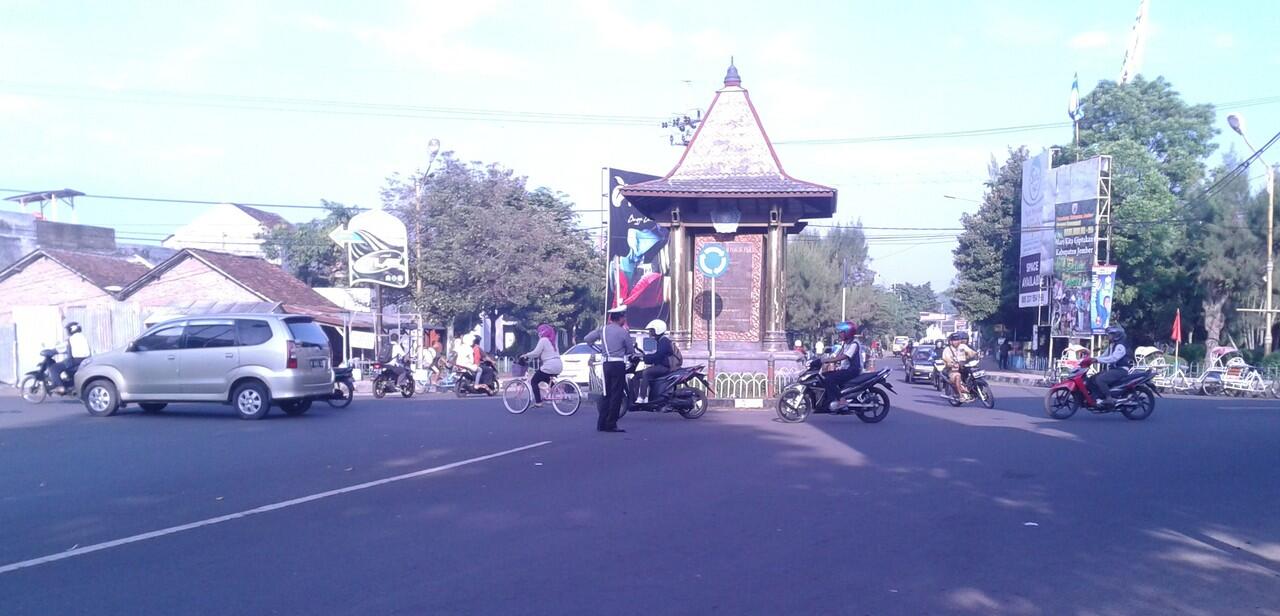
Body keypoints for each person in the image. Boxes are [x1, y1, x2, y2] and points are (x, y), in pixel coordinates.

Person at [584, 306, 635, 432]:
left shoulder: (603, 329)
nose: (625, 319)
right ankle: (611, 424)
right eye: (624, 317)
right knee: (616, 395)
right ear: (620, 318)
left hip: (605, 365)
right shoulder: (623, 332)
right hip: (618, 365)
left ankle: (601, 424)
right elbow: (630, 350)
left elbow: (587, 339)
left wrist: (601, 350)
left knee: (606, 394)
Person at [821, 321, 864, 412]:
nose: (839, 334)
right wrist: (829, 361)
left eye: (841, 332)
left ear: (848, 332)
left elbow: (844, 356)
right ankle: (831, 400)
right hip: (846, 369)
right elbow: (838, 355)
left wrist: (828, 360)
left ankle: (842, 400)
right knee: (825, 376)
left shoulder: (854, 344)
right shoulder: (846, 343)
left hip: (853, 370)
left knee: (829, 380)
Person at [1088, 325, 1133, 407]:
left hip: (1121, 370)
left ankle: (1109, 398)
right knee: (1092, 379)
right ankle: (1098, 398)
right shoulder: (1112, 345)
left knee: (1100, 379)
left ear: (1117, 335)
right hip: (1114, 369)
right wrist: (1092, 359)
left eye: (1110, 334)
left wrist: (1097, 360)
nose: (1108, 336)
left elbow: (1113, 358)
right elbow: (1104, 356)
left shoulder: (1120, 346)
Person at [521, 324, 563, 407]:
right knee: (545, 378)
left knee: (534, 381)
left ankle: (538, 402)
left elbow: (536, 353)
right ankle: (558, 391)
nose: (538, 333)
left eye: (539, 331)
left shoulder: (543, 340)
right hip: (558, 365)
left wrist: (525, 355)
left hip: (549, 366)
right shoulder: (553, 342)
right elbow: (542, 353)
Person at [637, 319, 674, 404]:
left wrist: (645, 358)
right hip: (660, 366)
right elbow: (655, 354)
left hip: (665, 367)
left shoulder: (664, 341)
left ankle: (642, 397)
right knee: (636, 375)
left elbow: (659, 355)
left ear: (658, 330)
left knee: (646, 372)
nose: (650, 332)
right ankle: (640, 396)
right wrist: (643, 356)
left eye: (652, 330)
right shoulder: (660, 340)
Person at [53, 321, 91, 392]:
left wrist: (53, 351)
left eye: (68, 329)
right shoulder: (83, 337)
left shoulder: (71, 339)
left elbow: (63, 348)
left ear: (72, 329)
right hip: (85, 360)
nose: (67, 332)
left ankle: (60, 387)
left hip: (75, 360)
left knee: (54, 368)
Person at [943, 331, 978, 401]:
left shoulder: (963, 346)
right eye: (954, 340)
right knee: (957, 376)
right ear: (950, 342)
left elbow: (971, 352)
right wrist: (953, 363)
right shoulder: (947, 350)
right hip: (952, 369)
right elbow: (947, 360)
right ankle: (960, 395)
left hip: (964, 366)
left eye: (957, 339)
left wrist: (976, 354)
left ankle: (972, 390)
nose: (956, 342)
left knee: (975, 372)